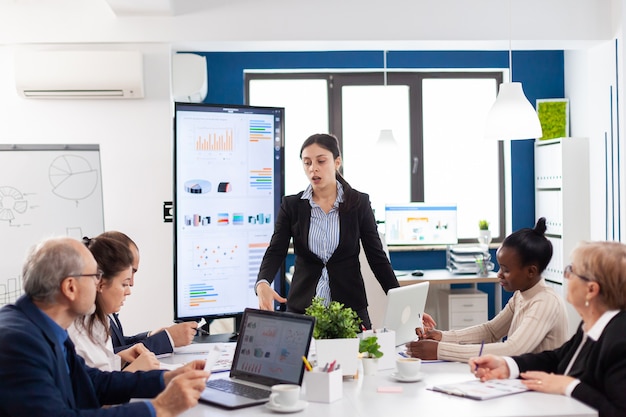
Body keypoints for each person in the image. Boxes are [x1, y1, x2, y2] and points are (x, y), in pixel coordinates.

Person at [0, 236, 210, 417]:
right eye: (94, 276)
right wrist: (160, 408)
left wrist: (166, 379)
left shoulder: (45, 326)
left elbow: (93, 382)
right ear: (70, 287)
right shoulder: (18, 343)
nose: (98, 284)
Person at [255, 133, 400, 329]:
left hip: (349, 311)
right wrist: (263, 282)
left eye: (321, 161)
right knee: (301, 361)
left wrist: (401, 304)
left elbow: (377, 258)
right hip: (303, 310)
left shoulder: (359, 203)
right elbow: (276, 250)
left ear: (337, 161)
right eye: (307, 163)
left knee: (357, 359)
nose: (313, 168)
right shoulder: (292, 205)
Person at [471, 241, 626, 417]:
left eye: (572, 271)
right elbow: (557, 358)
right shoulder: (591, 326)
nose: (567, 277)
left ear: (591, 289)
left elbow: (620, 411)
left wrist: (568, 386)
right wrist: (507, 365)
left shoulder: (620, 340)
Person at [406, 217, 569, 362]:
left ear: (531, 271)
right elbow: (491, 331)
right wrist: (442, 336)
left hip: (542, 390)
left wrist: (441, 351)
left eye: (506, 269)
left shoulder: (545, 302)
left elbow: (513, 350)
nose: (499, 274)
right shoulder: (521, 295)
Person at [68, 235, 160, 372]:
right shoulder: (77, 330)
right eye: (124, 284)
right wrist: (133, 371)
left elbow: (100, 368)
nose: (128, 291)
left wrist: (119, 359)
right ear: (101, 284)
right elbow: (95, 387)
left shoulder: (100, 320)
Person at [98, 230, 198, 355]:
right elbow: (108, 357)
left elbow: (118, 344)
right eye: (127, 277)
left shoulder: (106, 312)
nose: (131, 283)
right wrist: (168, 339)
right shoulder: (89, 316)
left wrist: (151, 335)